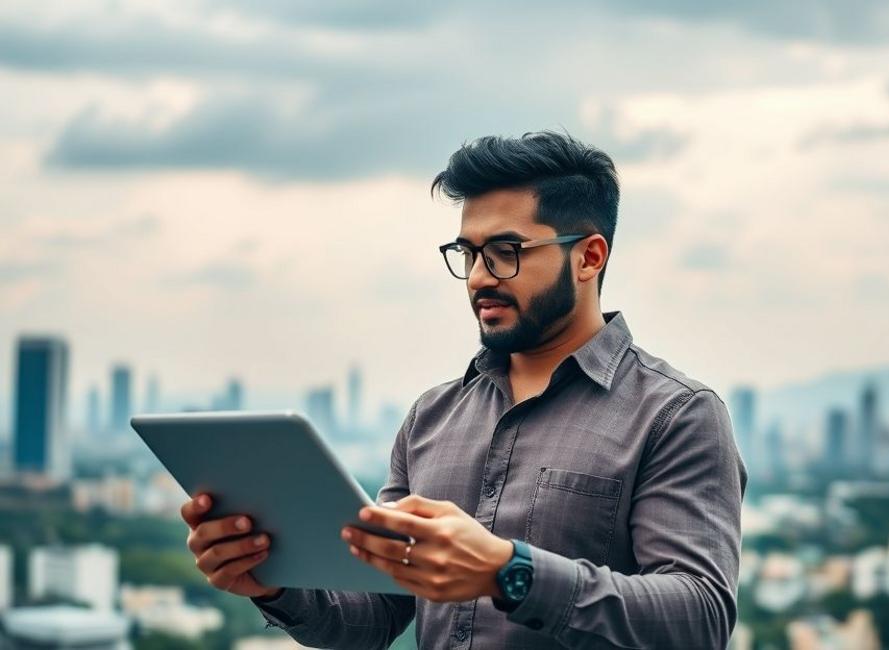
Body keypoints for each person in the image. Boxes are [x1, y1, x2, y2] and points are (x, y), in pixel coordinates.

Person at [180, 130, 747, 649]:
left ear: (588, 257)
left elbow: (700, 618)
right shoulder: (432, 417)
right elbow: (374, 614)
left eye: (506, 253)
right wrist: (273, 584)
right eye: (468, 253)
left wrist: (509, 572)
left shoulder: (676, 415)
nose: (478, 277)